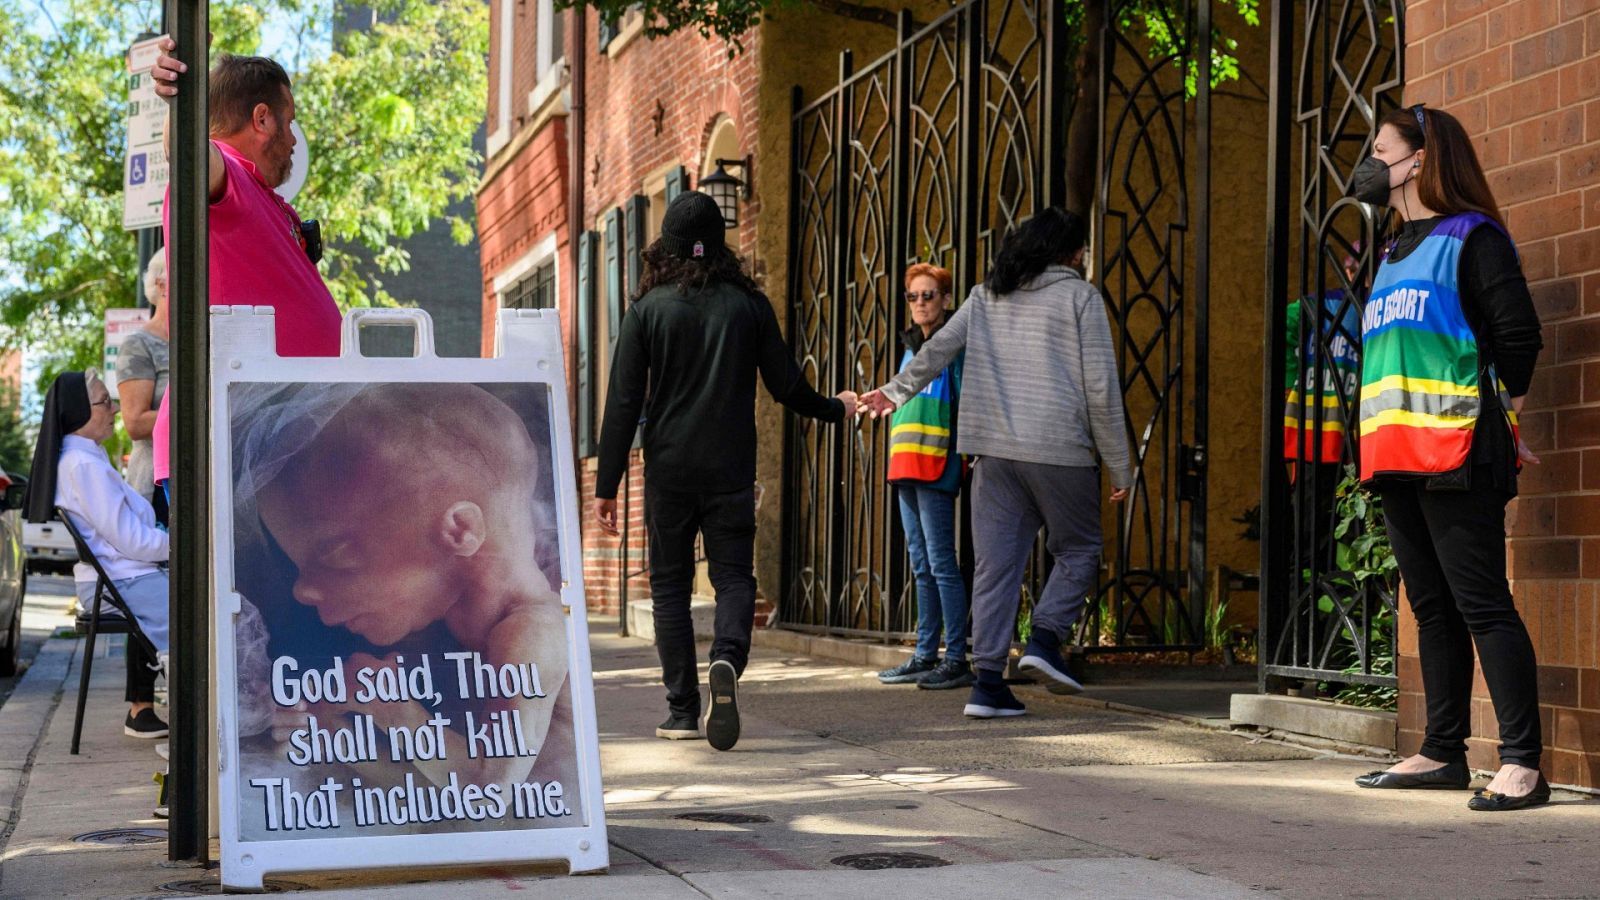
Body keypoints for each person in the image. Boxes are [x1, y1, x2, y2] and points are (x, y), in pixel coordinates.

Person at [593, 191, 858, 752]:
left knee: (669, 587)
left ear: (664, 243)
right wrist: (837, 407)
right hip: (731, 468)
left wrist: (606, 486)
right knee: (734, 579)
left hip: (669, 471)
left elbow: (621, 404)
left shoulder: (646, 310)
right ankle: (727, 659)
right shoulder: (748, 305)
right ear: (721, 246)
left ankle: (682, 711)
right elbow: (786, 386)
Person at [1345, 105, 1546, 812]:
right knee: (1431, 607)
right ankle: (1442, 751)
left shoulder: (1473, 237)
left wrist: (1506, 415)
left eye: (1380, 150)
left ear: (1421, 159)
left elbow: (1518, 335)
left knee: (1482, 601)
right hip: (1397, 453)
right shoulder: (1395, 248)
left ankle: (1523, 762)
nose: (1369, 165)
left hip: (1458, 446)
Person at [861, 208, 1131, 720]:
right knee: (1079, 547)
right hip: (1058, 450)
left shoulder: (985, 296)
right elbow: (1100, 388)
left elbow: (937, 349)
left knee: (995, 567)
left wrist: (893, 393)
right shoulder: (1080, 297)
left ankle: (987, 685)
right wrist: (1121, 466)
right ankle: (1046, 638)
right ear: (1072, 253)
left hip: (993, 456)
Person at [247, 383, 571, 791]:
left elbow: (491, 790)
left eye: (336, 556)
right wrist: (325, 733)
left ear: (459, 530)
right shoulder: (443, 633)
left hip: (538, 833)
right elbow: (433, 792)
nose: (303, 590)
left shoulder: (533, 634)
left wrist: (392, 708)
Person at [148, 44, 342, 502]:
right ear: (261, 118)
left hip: (265, 442)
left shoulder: (264, 197)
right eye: (289, 122)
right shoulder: (226, 173)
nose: (294, 140)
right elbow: (190, 154)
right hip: (229, 443)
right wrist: (181, 95)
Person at [26, 371, 170, 738]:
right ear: (78, 411)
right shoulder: (83, 465)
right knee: (201, 620)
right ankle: (200, 728)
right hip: (118, 581)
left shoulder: (88, 458)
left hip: (123, 576)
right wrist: (178, 546)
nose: (115, 410)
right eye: (106, 401)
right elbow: (130, 540)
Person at [875, 263, 972, 691]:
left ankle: (955, 657)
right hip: (906, 466)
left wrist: (965, 458)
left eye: (928, 295)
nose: (919, 303)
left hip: (935, 464)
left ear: (946, 300)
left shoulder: (953, 347)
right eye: (912, 296)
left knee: (941, 563)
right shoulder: (909, 347)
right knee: (920, 565)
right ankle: (924, 654)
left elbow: (966, 401)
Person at [118, 255, 170, 512]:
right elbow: (135, 422)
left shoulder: (206, 339)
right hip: (156, 484)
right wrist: (204, 407)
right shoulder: (139, 344)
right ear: (161, 286)